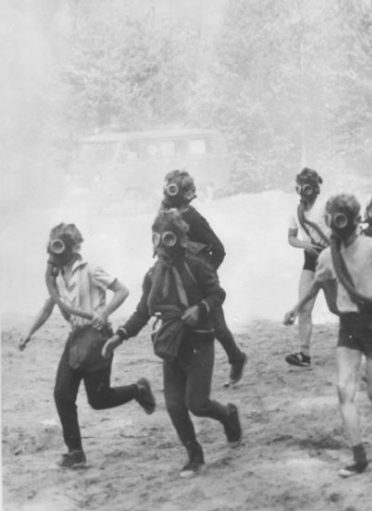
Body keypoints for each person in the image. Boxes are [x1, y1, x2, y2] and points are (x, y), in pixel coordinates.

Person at [283, 194, 372, 478]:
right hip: (349, 327)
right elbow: (318, 283)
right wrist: (295, 309)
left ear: (356, 220)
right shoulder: (326, 256)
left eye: (343, 217)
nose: (338, 224)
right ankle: (359, 457)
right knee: (344, 391)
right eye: (334, 218)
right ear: (330, 221)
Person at [102, 209, 242, 477]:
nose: (161, 246)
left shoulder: (197, 265)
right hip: (172, 345)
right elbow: (143, 311)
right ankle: (194, 455)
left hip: (199, 341)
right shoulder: (152, 275)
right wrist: (119, 336)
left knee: (198, 404)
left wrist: (200, 308)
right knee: (176, 406)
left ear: (180, 239)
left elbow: (217, 294)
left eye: (168, 239)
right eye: (156, 239)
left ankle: (228, 415)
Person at [18, 223, 156, 469]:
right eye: (52, 245)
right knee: (62, 394)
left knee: (99, 399)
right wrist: (28, 332)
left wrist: (104, 312)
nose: (55, 252)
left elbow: (121, 291)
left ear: (73, 247)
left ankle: (138, 390)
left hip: (98, 338)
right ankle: (75, 451)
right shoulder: (58, 277)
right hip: (76, 338)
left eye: (60, 245)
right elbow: (49, 307)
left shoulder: (90, 270)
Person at [161, 170, 247, 386]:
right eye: (169, 187)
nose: (171, 193)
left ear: (188, 194)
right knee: (174, 323)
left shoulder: (193, 218)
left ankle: (236, 358)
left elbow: (218, 249)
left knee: (217, 327)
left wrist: (204, 273)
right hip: (176, 276)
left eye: (176, 189)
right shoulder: (163, 213)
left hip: (199, 279)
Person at [285, 167, 337, 367]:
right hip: (309, 260)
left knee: (336, 307)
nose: (305, 192)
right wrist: (304, 244)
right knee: (305, 307)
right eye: (302, 187)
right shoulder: (296, 211)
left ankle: (365, 331)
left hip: (329, 258)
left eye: (309, 188)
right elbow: (290, 237)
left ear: (316, 189)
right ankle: (304, 354)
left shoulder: (326, 206)